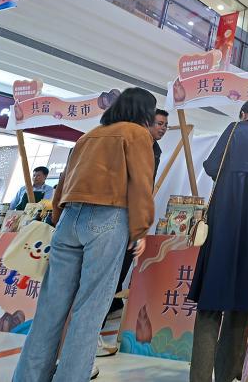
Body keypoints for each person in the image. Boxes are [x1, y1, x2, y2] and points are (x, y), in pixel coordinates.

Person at [12, 87, 157, 382]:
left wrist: (57, 217)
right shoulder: (137, 134)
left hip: (69, 219)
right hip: (109, 218)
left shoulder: (89, 136)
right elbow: (141, 184)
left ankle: (28, 377)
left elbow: (63, 182)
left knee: (50, 308)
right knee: (89, 310)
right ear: (145, 111)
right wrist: (140, 229)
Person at [188, 100, 248, 382]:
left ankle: (200, 377)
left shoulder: (234, 130)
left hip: (224, 224)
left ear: (244, 114)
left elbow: (211, 166)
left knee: (210, 304)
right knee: (241, 303)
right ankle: (228, 375)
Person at [97, 108, 170, 357]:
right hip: (116, 216)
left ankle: (97, 328)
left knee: (117, 273)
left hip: (130, 219)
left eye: (165, 125)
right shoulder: (132, 142)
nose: (163, 128)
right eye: (159, 123)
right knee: (105, 277)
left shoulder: (154, 149)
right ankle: (90, 337)